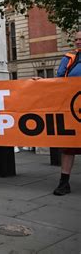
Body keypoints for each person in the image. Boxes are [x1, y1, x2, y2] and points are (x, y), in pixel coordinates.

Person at [53, 30, 81, 196]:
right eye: (76, 39)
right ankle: (64, 182)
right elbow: (58, 82)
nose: (78, 42)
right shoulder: (69, 59)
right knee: (69, 148)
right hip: (74, 110)